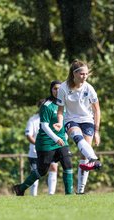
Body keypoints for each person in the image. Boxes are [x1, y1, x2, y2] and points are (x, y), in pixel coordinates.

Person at [13, 80, 73, 196]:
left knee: (68, 164)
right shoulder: (46, 106)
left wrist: (65, 136)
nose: (57, 91)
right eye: (55, 88)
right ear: (51, 90)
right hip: (46, 142)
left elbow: (66, 122)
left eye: (59, 89)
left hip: (61, 141)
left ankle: (69, 195)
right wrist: (56, 138)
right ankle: (20, 188)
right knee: (42, 170)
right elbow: (44, 126)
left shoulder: (65, 104)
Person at [54, 60, 101, 194]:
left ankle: (80, 191)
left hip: (87, 120)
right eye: (81, 74)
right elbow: (60, 110)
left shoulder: (89, 88)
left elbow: (97, 110)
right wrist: (59, 122)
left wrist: (96, 131)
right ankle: (94, 158)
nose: (84, 76)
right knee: (78, 137)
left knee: (83, 155)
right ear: (74, 74)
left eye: (86, 74)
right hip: (71, 120)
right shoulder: (63, 88)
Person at [25, 99, 58, 196]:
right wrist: (39, 144)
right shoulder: (33, 120)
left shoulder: (52, 118)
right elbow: (29, 135)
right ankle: (33, 196)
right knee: (35, 172)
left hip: (50, 149)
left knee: (53, 167)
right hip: (35, 152)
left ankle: (51, 194)